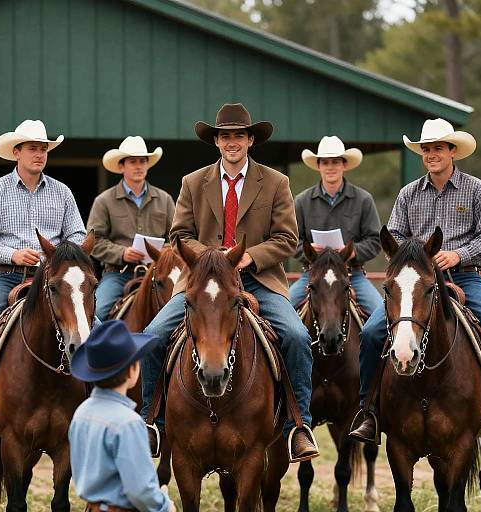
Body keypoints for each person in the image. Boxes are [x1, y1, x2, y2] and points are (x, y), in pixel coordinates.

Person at [140, 103, 319, 462]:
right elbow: (180, 235)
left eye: (239, 135)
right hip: (203, 284)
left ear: (250, 140)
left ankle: (298, 427)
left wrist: (248, 256)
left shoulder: (275, 182)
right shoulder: (193, 182)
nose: (232, 142)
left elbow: (287, 239)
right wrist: (211, 258)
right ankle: (152, 421)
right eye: (225, 136)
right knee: (153, 335)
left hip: (257, 281)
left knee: (298, 337)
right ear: (217, 142)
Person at [350, 118, 481, 442]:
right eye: (426, 149)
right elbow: (394, 236)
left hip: (464, 277)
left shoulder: (478, 191)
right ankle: (368, 410)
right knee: (370, 334)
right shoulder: (409, 194)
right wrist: (406, 258)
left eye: (438, 148)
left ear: (453, 151)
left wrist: (458, 254)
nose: (431, 154)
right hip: (415, 284)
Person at [0, 119, 86, 376]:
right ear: (16, 152)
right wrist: (12, 254)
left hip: (55, 279)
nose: (39, 154)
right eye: (32, 148)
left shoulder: (63, 192)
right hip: (5, 277)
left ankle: (94, 404)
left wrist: (58, 256)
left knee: (98, 331)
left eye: (43, 149)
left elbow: (78, 235)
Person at [69, 319, 175, 512]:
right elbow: (140, 490)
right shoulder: (128, 422)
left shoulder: (81, 414)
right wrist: (165, 506)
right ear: (131, 371)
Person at [289, 135, 382, 315]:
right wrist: (309, 250)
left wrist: (352, 251)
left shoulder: (363, 199)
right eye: (325, 162)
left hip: (353, 275)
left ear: (344, 164)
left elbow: (375, 240)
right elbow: (291, 241)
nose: (330, 167)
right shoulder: (301, 201)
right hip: (312, 275)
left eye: (335, 162)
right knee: (284, 314)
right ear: (319, 166)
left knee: (381, 316)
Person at [88, 136, 175, 320]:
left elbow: (177, 239)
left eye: (142, 161)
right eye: (132, 161)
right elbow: (93, 242)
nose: (138, 166)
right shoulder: (104, 201)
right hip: (118, 274)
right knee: (97, 312)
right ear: (121, 167)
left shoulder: (165, 199)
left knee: (183, 309)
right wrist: (122, 253)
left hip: (158, 274)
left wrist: (163, 251)